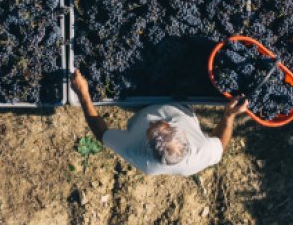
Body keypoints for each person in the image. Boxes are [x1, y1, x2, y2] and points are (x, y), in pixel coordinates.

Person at [70, 69, 248, 176]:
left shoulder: (135, 151)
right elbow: (220, 144)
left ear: (147, 144)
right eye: (162, 123)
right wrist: (228, 116)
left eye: (152, 126)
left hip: (141, 104)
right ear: (184, 134)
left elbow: (102, 133)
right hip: (180, 100)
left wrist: (84, 95)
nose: (156, 120)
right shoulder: (202, 153)